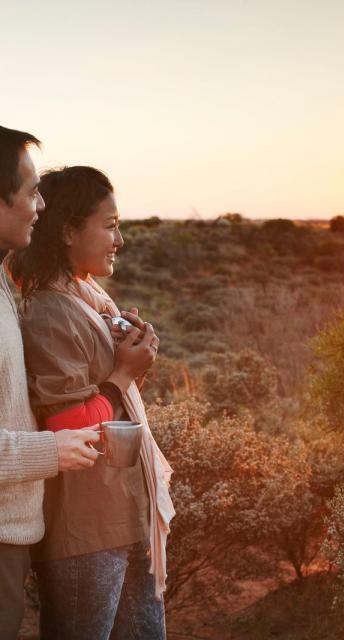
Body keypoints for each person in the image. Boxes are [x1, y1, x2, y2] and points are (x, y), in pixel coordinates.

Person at [9, 165, 175, 640]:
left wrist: (129, 350)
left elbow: (108, 393)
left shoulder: (84, 294)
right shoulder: (50, 309)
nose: (119, 239)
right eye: (110, 225)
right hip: (86, 529)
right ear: (66, 231)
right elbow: (71, 425)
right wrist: (124, 373)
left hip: (126, 515)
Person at [0, 126, 101, 640]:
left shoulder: (4, 284)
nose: (40, 206)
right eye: (31, 191)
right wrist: (50, 450)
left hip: (14, 533)